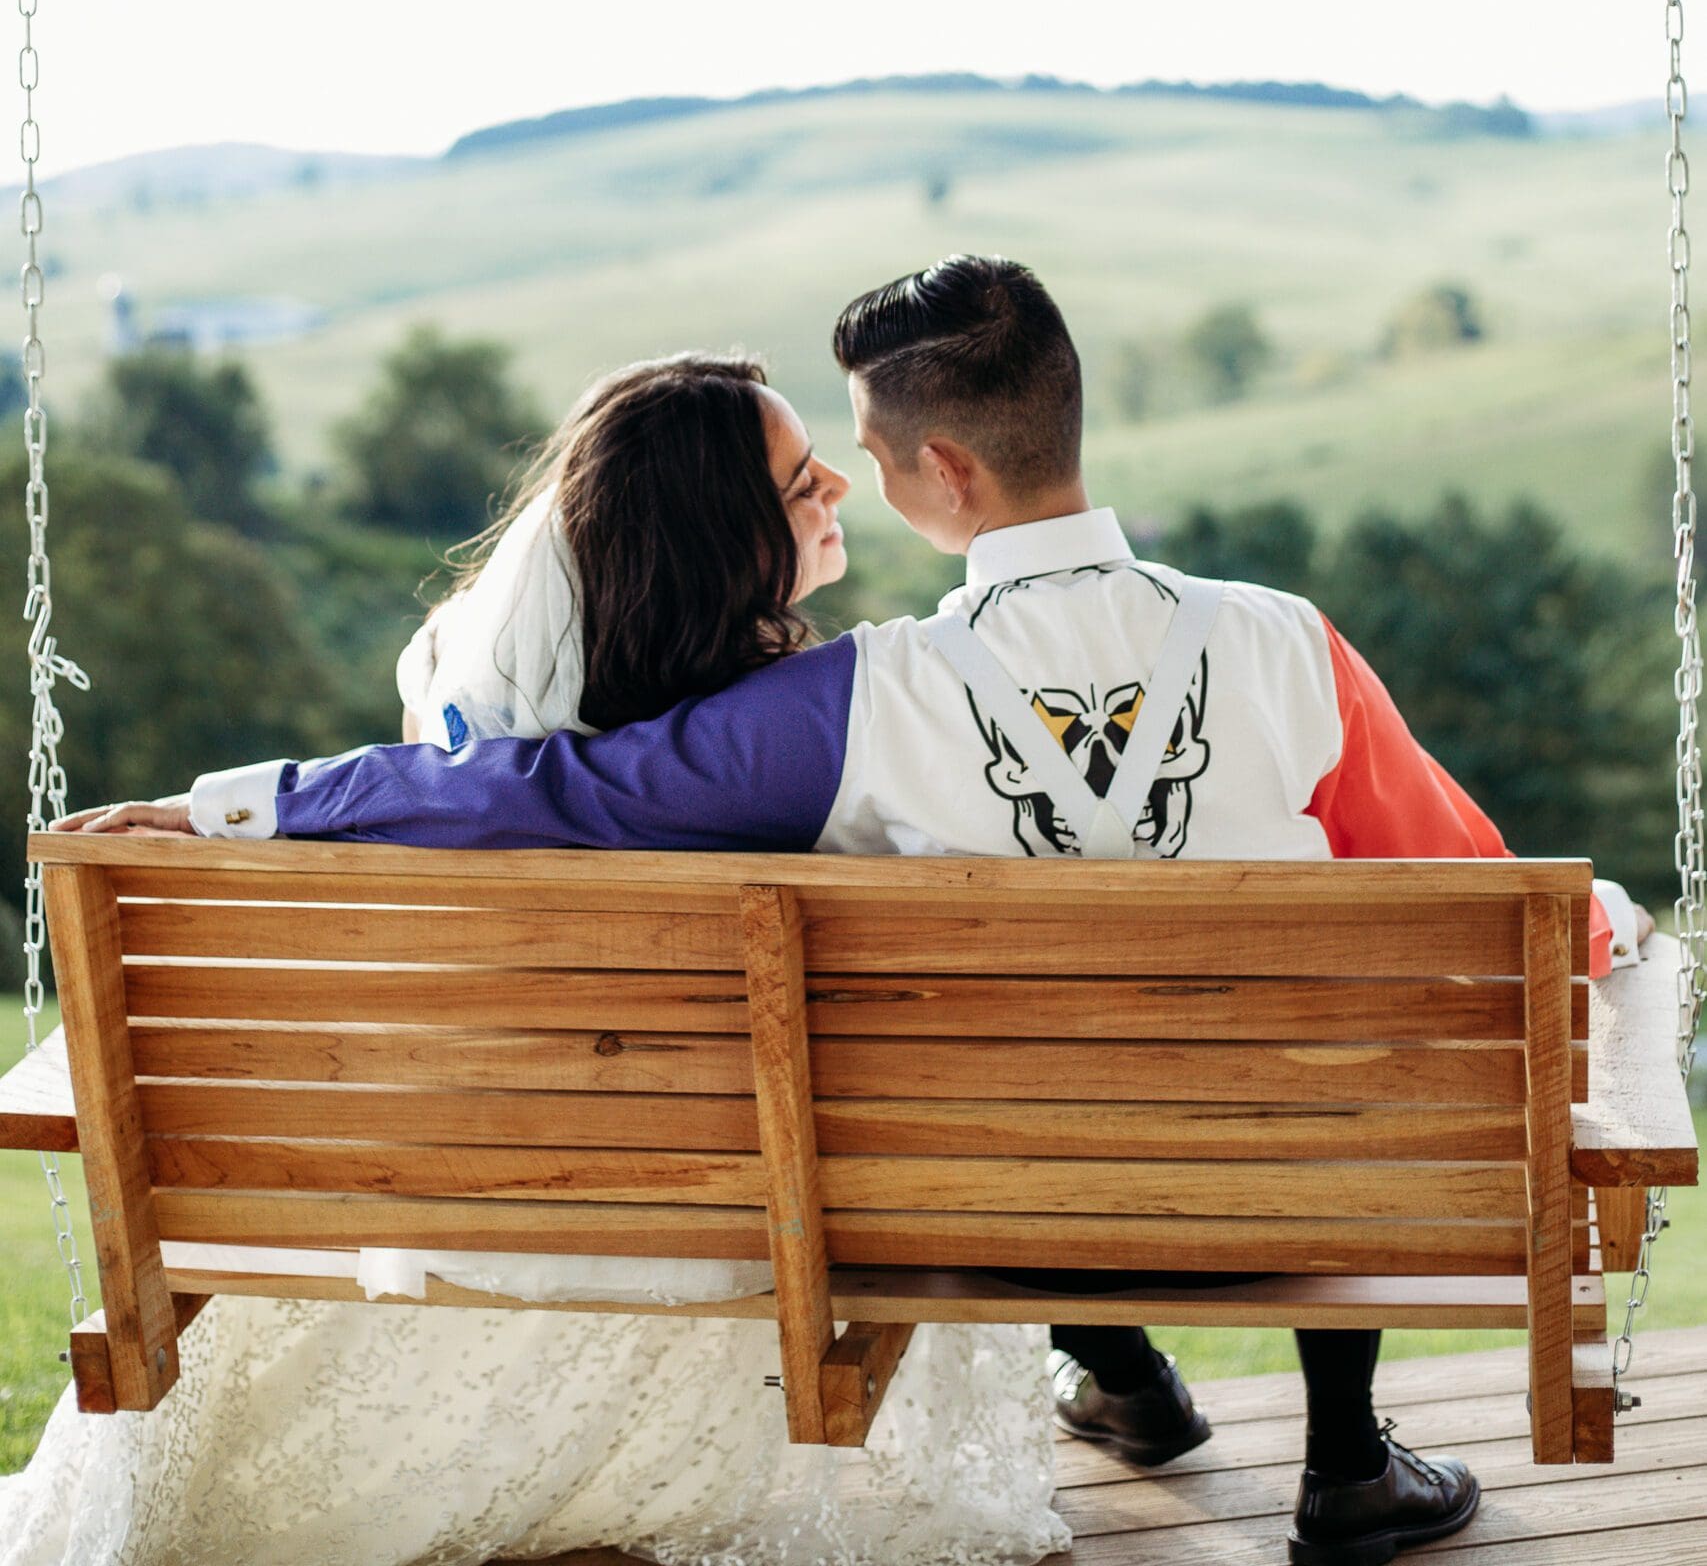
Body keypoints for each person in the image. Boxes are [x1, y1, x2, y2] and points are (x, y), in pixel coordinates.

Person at [72, 258, 1649, 1566]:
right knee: (1322, 1045)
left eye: (870, 456)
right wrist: (1612, 949)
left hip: (990, 1202)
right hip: (1298, 1179)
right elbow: (1465, 883)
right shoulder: (1290, 647)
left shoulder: (851, 701)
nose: (853, 481)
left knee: (997, 1080)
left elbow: (545, 793)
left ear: (938, 475)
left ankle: (1120, 1385)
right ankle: (1346, 1468)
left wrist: (253, 800)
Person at [13, 352, 1067, 1566]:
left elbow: (483, 792)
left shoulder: (480, 731)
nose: (835, 478)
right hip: (761, 1237)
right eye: (796, 476)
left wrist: (233, 807)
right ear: (718, 538)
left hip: (497, 1203)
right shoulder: (813, 733)